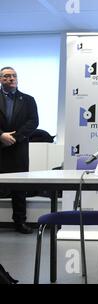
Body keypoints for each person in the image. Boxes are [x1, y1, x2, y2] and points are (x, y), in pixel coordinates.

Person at [0, 67, 39, 234]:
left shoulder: (28, 100)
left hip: (18, 148)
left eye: (14, 76)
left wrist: (14, 137)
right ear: (1, 79)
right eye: (7, 76)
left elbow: (33, 122)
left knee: (19, 188)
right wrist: (1, 135)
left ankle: (20, 222)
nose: (11, 78)